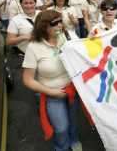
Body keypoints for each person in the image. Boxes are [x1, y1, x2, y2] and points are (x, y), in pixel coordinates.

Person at [22, 10, 82, 151]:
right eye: (54, 23)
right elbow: (27, 80)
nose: (60, 25)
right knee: (61, 128)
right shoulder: (33, 47)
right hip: (52, 94)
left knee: (73, 121)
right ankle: (61, 147)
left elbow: (86, 45)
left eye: (60, 21)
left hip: (73, 90)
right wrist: (51, 92)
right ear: (43, 27)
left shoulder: (67, 37)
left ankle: (74, 140)